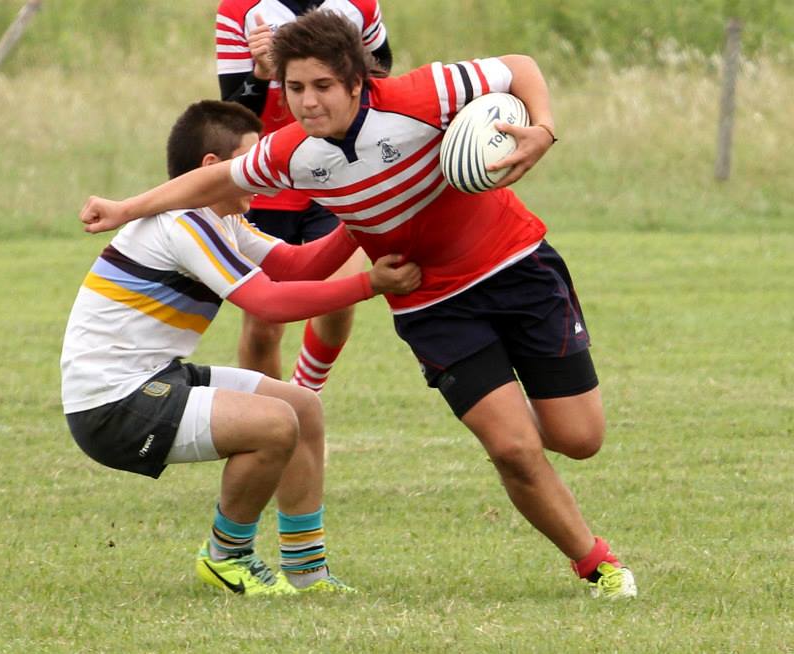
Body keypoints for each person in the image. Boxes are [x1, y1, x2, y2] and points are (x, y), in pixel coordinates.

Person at [79, 11, 638, 599]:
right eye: (295, 88)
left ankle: (526, 425)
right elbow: (209, 182)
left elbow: (520, 69)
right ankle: (597, 565)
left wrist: (542, 130)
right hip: (431, 304)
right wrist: (126, 208)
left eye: (322, 86)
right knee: (512, 450)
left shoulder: (421, 95)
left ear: (355, 81)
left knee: (578, 438)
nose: (308, 103)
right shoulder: (291, 152)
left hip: (517, 267)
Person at [62, 99, 420, 596]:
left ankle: (306, 569)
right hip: (113, 405)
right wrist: (369, 285)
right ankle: (226, 556)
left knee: (302, 407)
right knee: (275, 426)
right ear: (215, 168)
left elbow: (297, 266)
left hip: (155, 379)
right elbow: (267, 302)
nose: (264, 172)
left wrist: (362, 214)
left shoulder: (222, 217)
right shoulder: (183, 223)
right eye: (252, 159)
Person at [215, 0, 393, 392]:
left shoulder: (360, 6)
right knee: (264, 326)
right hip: (267, 184)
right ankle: (270, 419)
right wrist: (260, 74)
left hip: (334, 172)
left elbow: (380, 78)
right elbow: (231, 119)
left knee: (339, 297)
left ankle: (304, 396)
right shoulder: (238, 10)